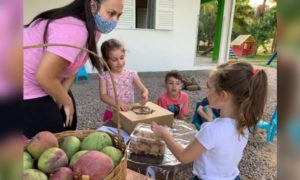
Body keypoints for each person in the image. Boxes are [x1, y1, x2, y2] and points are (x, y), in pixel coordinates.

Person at [23, 0, 124, 138]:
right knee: (51, 133)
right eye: (111, 13)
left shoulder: (93, 30)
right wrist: (66, 101)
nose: (114, 21)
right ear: (93, 5)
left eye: (119, 15)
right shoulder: (74, 30)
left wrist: (61, 97)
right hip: (23, 83)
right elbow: (44, 76)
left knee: (67, 122)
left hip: (47, 78)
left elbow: (75, 65)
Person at [151, 62, 268, 180]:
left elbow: (184, 157)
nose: (207, 93)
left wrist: (164, 134)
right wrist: (212, 120)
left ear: (223, 95)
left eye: (209, 88)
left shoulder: (211, 130)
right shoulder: (245, 124)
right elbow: (222, 142)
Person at [99, 38, 149, 122]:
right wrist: (117, 103)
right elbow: (103, 95)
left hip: (128, 113)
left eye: (122, 58)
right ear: (106, 61)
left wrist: (145, 95)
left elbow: (143, 89)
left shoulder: (131, 74)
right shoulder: (104, 76)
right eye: (114, 60)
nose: (119, 62)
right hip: (112, 113)